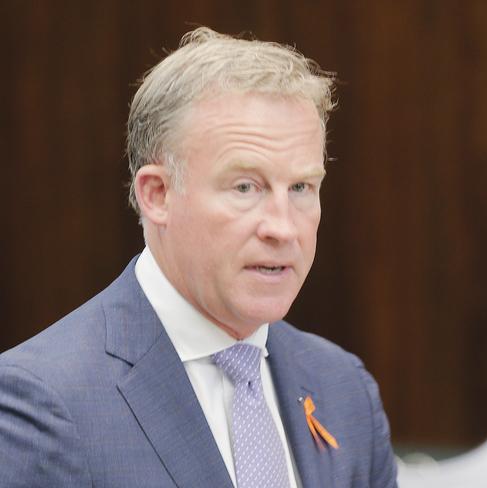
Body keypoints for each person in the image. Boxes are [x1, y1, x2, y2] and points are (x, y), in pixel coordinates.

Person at [0, 27, 397, 487]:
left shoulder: (344, 389)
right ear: (158, 194)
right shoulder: (44, 402)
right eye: (246, 187)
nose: (284, 227)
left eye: (302, 187)